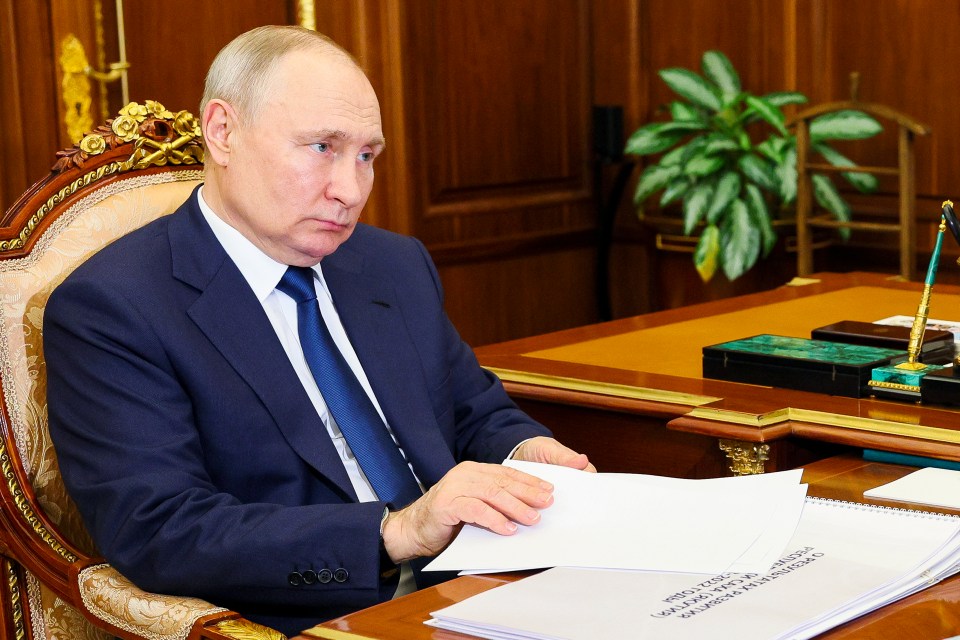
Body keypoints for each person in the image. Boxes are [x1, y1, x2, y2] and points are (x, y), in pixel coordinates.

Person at [44, 25, 593, 636]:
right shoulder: (115, 306)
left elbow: (471, 410)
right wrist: (394, 533)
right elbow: (162, 529)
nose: (350, 191)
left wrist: (526, 454)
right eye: (321, 148)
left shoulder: (392, 264)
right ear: (223, 131)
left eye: (366, 156)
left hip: (476, 589)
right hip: (311, 619)